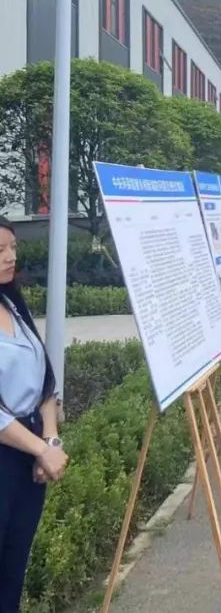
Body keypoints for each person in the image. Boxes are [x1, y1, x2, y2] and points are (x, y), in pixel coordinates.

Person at [0, 217, 69, 611]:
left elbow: (45, 379)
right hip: (8, 452)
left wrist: (49, 439)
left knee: (14, 567)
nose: (11, 257)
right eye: (0, 250)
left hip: (28, 453)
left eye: (13, 248)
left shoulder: (12, 303)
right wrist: (41, 450)